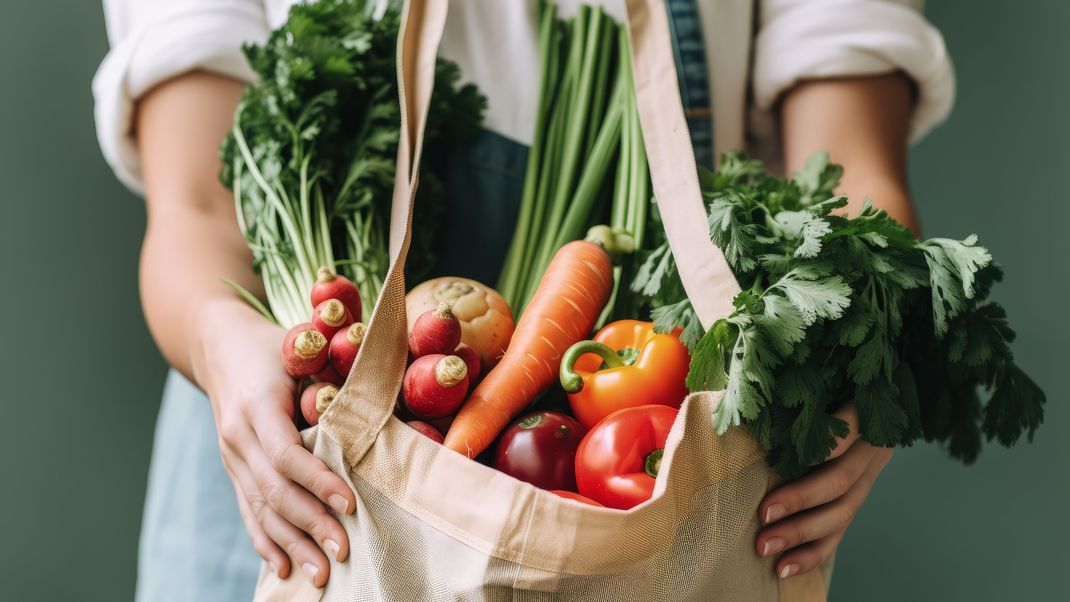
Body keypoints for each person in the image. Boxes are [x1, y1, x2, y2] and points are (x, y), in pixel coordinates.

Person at [94, 0, 953, 598]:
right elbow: (197, 207)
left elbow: (849, 171)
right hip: (293, 466)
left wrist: (864, 348)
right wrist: (224, 342)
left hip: (641, 461)